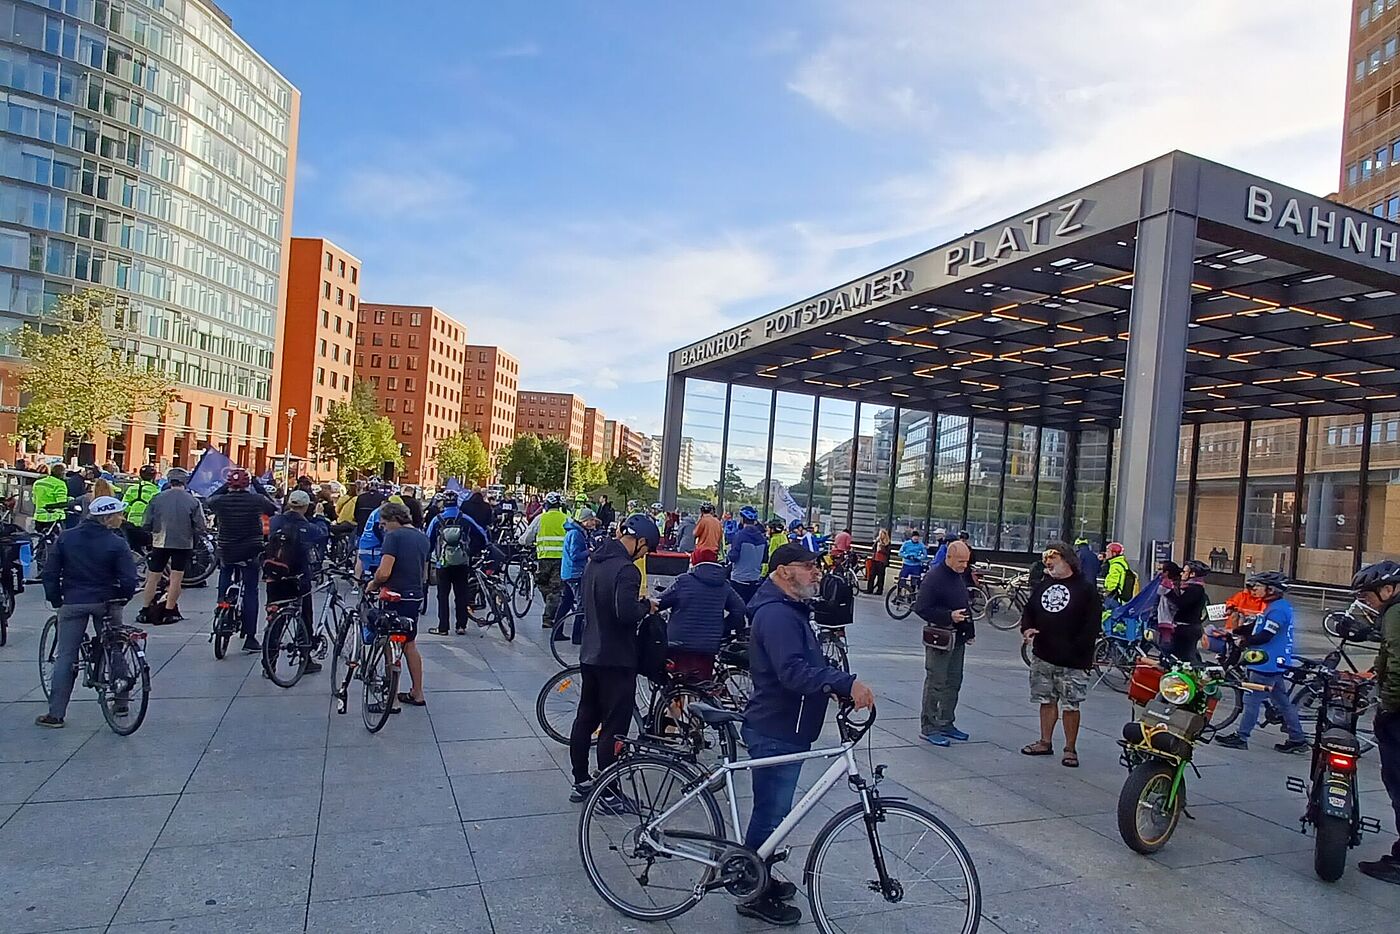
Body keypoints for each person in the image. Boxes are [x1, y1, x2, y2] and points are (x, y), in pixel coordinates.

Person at [742, 542, 875, 925]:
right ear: (784, 571)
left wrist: (831, 685)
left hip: (787, 724)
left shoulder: (790, 610)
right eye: (809, 567)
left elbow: (804, 665)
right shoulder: (778, 616)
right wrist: (844, 682)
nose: (818, 573)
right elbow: (793, 672)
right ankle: (752, 889)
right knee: (771, 815)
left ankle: (757, 872)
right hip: (776, 726)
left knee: (773, 813)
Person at [569, 514, 659, 805]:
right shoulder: (626, 570)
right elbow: (626, 613)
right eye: (646, 549)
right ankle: (607, 793)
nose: (644, 555)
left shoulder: (595, 562)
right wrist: (646, 605)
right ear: (640, 542)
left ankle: (581, 781)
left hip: (590, 652)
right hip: (617, 658)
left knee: (585, 718)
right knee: (613, 727)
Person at [35, 496, 139, 728]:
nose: (122, 518)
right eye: (119, 515)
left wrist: (55, 599)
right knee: (115, 646)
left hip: (74, 601)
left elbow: (50, 572)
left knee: (66, 656)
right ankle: (121, 700)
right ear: (108, 518)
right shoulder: (117, 542)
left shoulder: (66, 537)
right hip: (107, 601)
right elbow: (129, 578)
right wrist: (123, 597)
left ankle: (56, 714)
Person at [1018, 542, 1102, 768]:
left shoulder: (1085, 588)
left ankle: (1070, 748)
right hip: (1043, 654)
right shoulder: (1045, 584)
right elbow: (1029, 610)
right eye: (1046, 559)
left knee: (1071, 704)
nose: (1048, 563)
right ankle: (1045, 741)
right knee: (1045, 700)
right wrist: (1027, 628)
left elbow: (1092, 625)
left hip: (1073, 659)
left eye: (1052, 558)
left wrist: (1079, 650)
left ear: (1066, 560)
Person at [1216, 571, 1309, 754]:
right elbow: (1257, 626)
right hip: (1271, 662)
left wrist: (1244, 641)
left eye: (1257, 587)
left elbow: (1266, 635)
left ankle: (1241, 737)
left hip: (1266, 662)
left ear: (1271, 589)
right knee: (1282, 702)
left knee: (1251, 700)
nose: (1253, 590)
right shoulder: (1272, 606)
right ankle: (1298, 739)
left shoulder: (1277, 610)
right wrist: (1235, 632)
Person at [1352, 560, 1400, 884]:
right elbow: (1386, 655)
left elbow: (1397, 662)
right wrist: (1372, 672)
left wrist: (1387, 706)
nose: (1366, 601)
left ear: (1387, 589)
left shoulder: (1395, 612)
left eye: (1368, 594)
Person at [365, 502, 430, 709]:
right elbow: (425, 571)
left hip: (395, 596)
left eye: (383, 524)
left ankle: (391, 701)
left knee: (390, 645)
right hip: (415, 596)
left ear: (394, 520)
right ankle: (417, 692)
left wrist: (373, 584)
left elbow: (384, 572)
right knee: (409, 644)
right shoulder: (422, 537)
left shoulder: (393, 537)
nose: (382, 528)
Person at [206, 468, 277, 653]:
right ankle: (250, 637)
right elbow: (273, 508)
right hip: (250, 550)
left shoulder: (220, 501)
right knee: (251, 591)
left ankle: (221, 602)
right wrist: (258, 485)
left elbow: (208, 500)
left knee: (225, 572)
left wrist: (224, 486)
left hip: (227, 548)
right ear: (247, 484)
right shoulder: (256, 500)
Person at [916, 540, 975, 746]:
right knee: (936, 682)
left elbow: (964, 604)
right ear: (949, 557)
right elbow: (922, 608)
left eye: (966, 561)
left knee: (954, 681)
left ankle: (946, 721)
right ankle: (929, 725)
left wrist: (969, 631)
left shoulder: (958, 576)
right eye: (960, 561)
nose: (964, 565)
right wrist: (949, 616)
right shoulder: (934, 578)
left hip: (957, 636)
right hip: (940, 637)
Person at [658, 546, 747, 681]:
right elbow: (740, 609)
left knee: (676, 685)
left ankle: (675, 701)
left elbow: (661, 602)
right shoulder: (724, 585)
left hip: (680, 643)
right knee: (702, 685)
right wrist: (722, 627)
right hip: (708, 646)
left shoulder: (684, 581)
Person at [266, 490, 330, 672]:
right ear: (305, 506)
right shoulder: (308, 527)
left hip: (274, 577)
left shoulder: (274, 522)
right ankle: (305, 658)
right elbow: (322, 535)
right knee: (304, 617)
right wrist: (319, 516)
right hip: (298, 579)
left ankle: (269, 662)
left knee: (274, 619)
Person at [139, 467, 206, 625]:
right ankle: (169, 611)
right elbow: (200, 525)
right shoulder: (192, 501)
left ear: (169, 481)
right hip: (182, 543)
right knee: (176, 578)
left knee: (153, 577)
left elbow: (146, 522)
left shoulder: (157, 498)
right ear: (185, 482)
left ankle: (145, 609)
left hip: (159, 541)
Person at [425, 490, 469, 635]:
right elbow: (481, 534)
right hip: (462, 562)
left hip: (442, 563)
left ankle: (443, 627)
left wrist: (428, 557)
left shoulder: (437, 519)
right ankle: (461, 625)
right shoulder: (464, 518)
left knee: (442, 595)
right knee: (461, 593)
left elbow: (428, 540)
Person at [523, 491, 569, 627]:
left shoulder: (540, 518)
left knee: (542, 583)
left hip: (543, 558)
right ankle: (550, 611)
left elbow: (527, 537)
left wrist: (521, 542)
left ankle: (548, 618)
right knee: (556, 589)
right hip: (560, 559)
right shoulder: (566, 518)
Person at [554, 506, 600, 636]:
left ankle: (557, 632)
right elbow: (575, 555)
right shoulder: (576, 534)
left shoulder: (576, 532)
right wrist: (589, 552)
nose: (593, 523)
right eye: (591, 520)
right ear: (583, 521)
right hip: (575, 573)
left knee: (566, 602)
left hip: (569, 572)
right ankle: (577, 635)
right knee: (581, 604)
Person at [1165, 559, 1209, 662]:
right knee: (1178, 656)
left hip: (1187, 629)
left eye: (1184, 571)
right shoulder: (1189, 587)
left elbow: (1181, 603)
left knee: (1186, 659)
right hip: (1183, 627)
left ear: (1192, 574)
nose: (1181, 573)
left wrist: (1168, 592)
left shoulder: (1195, 589)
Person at [726, 505, 768, 605]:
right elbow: (765, 559)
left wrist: (728, 552)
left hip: (739, 579)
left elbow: (733, 557)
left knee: (736, 609)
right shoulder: (762, 539)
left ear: (742, 519)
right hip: (754, 579)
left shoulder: (739, 536)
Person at [32, 463, 71, 534]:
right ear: (62, 473)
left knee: (40, 540)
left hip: (39, 517)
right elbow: (61, 503)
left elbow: (34, 500)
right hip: (54, 519)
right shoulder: (60, 484)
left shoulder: (38, 483)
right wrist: (70, 500)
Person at [1102, 542, 1136, 606]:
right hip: (1120, 597)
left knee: (1107, 614)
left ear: (1114, 553)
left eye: (1108, 551)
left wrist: (1106, 592)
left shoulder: (1115, 565)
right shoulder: (1122, 563)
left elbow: (1112, 582)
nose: (1106, 553)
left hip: (1114, 597)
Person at [865, 528, 891, 595]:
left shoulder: (887, 543)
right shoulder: (877, 541)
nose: (880, 535)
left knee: (880, 576)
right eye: (880, 534)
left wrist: (881, 548)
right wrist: (876, 542)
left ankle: (879, 590)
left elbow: (887, 553)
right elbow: (873, 549)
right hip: (875, 559)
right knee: (871, 575)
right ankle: (869, 589)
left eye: (882, 534)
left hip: (881, 561)